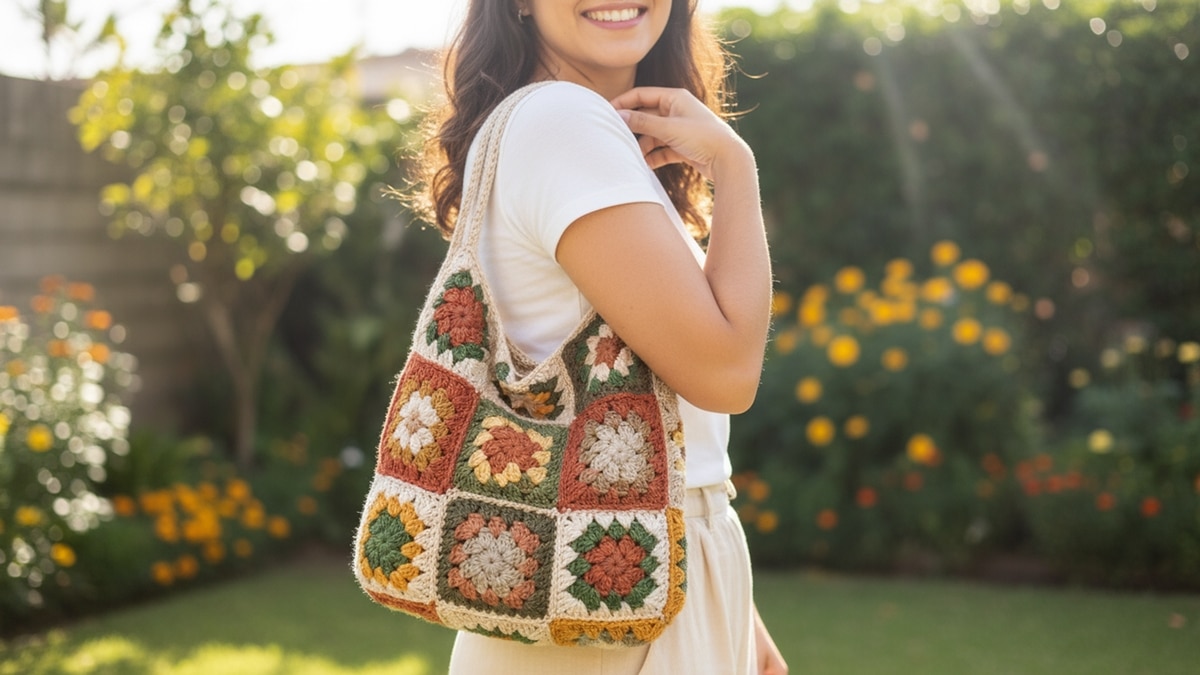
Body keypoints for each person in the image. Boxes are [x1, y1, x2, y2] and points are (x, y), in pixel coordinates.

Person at [410, 1, 786, 673]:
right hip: (608, 603)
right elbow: (726, 374)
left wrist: (735, 612)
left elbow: (669, 414)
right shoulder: (562, 122)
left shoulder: (578, 129)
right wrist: (736, 166)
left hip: (644, 578)